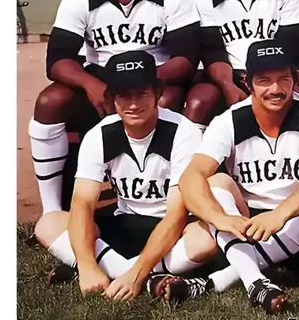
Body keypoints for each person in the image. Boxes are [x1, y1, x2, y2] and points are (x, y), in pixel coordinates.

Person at [30, 0, 203, 217]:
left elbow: (187, 59)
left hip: (155, 76)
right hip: (102, 79)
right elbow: (56, 60)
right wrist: (91, 83)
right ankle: (52, 210)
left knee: (168, 97)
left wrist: (139, 84)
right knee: (49, 101)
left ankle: (166, 200)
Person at [33, 51, 217, 302]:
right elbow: (82, 204)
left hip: (171, 229)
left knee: (207, 240)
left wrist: (135, 276)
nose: (132, 104)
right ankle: (151, 278)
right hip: (124, 222)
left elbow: (177, 214)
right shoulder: (100, 134)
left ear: (157, 93)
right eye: (124, 95)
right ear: (111, 98)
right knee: (48, 224)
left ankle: (125, 272)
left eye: (141, 93)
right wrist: (87, 265)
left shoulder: (183, 133)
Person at [176, 41, 299, 312]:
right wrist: (222, 219)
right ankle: (255, 280)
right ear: (247, 82)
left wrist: (279, 215)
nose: (275, 89)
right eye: (264, 81)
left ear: (295, 78)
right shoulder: (228, 121)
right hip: (246, 219)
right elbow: (190, 178)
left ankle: (216, 281)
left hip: (297, 217)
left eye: (283, 79)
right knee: (214, 188)